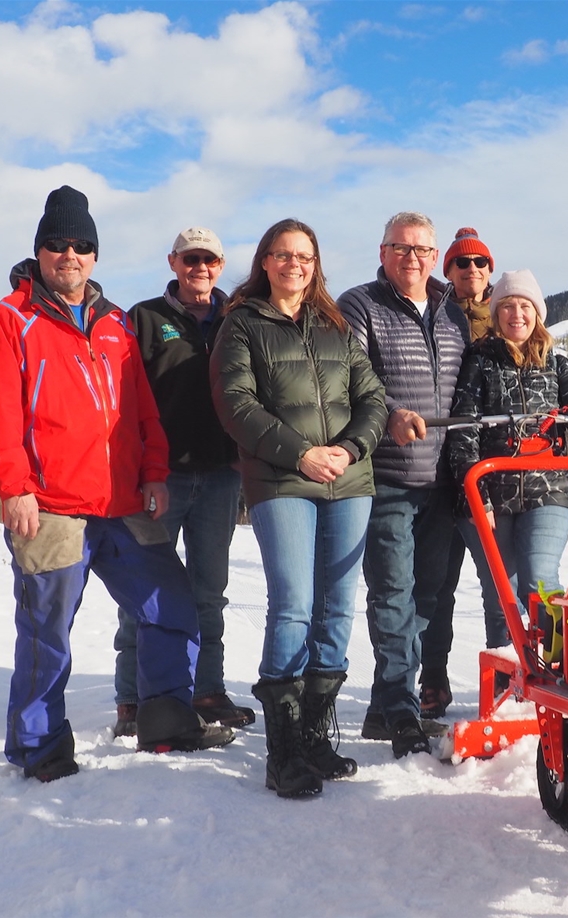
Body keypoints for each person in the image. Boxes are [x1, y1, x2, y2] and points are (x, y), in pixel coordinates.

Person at [0, 186, 233, 783]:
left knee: (172, 608)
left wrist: (155, 471)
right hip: (51, 507)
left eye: (81, 244)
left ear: (95, 254)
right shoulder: (10, 321)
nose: (70, 255)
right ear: (40, 251)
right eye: (57, 245)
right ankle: (39, 746)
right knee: (47, 633)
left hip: (124, 502)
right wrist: (14, 486)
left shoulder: (114, 325)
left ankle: (165, 717)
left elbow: (141, 411)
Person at [211, 219, 388, 798]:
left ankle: (315, 735)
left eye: (305, 256)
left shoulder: (333, 325)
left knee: (337, 608)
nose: (294, 265)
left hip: (349, 479)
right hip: (282, 480)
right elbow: (236, 404)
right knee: (294, 604)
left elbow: (373, 398)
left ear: (316, 265)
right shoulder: (242, 325)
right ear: (264, 261)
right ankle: (282, 751)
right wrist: (302, 454)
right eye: (283, 255)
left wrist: (350, 447)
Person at [112, 227, 253, 738]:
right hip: (160, 478)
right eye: (191, 258)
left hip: (219, 477)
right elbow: (123, 397)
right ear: (173, 261)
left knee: (208, 591)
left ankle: (206, 690)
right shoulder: (144, 318)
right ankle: (132, 698)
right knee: (144, 590)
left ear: (220, 264)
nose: (200, 267)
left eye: (209, 259)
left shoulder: (236, 318)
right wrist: (137, 469)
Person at [338, 212, 469, 758]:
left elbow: (466, 385)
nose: (412, 257)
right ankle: (399, 712)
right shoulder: (360, 304)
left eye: (422, 249)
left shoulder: (451, 312)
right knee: (392, 594)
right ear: (384, 250)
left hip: (441, 480)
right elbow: (353, 375)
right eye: (402, 247)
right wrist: (390, 413)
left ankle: (387, 702)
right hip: (386, 475)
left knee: (428, 594)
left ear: (434, 255)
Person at [448, 270, 568, 649]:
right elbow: (463, 430)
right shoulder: (480, 363)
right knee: (503, 590)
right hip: (493, 491)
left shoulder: (556, 364)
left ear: (537, 313)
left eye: (525, 306)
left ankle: (561, 663)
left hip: (547, 490)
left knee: (540, 579)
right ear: (496, 313)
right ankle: (509, 673)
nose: (517, 314)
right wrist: (475, 495)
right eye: (509, 306)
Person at [419, 227, 496, 719]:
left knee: (499, 587)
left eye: (479, 263)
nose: (470, 270)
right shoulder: (435, 314)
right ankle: (433, 681)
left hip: (491, 476)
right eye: (460, 263)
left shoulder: (511, 315)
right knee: (435, 587)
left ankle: (509, 680)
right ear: (447, 271)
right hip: (436, 474)